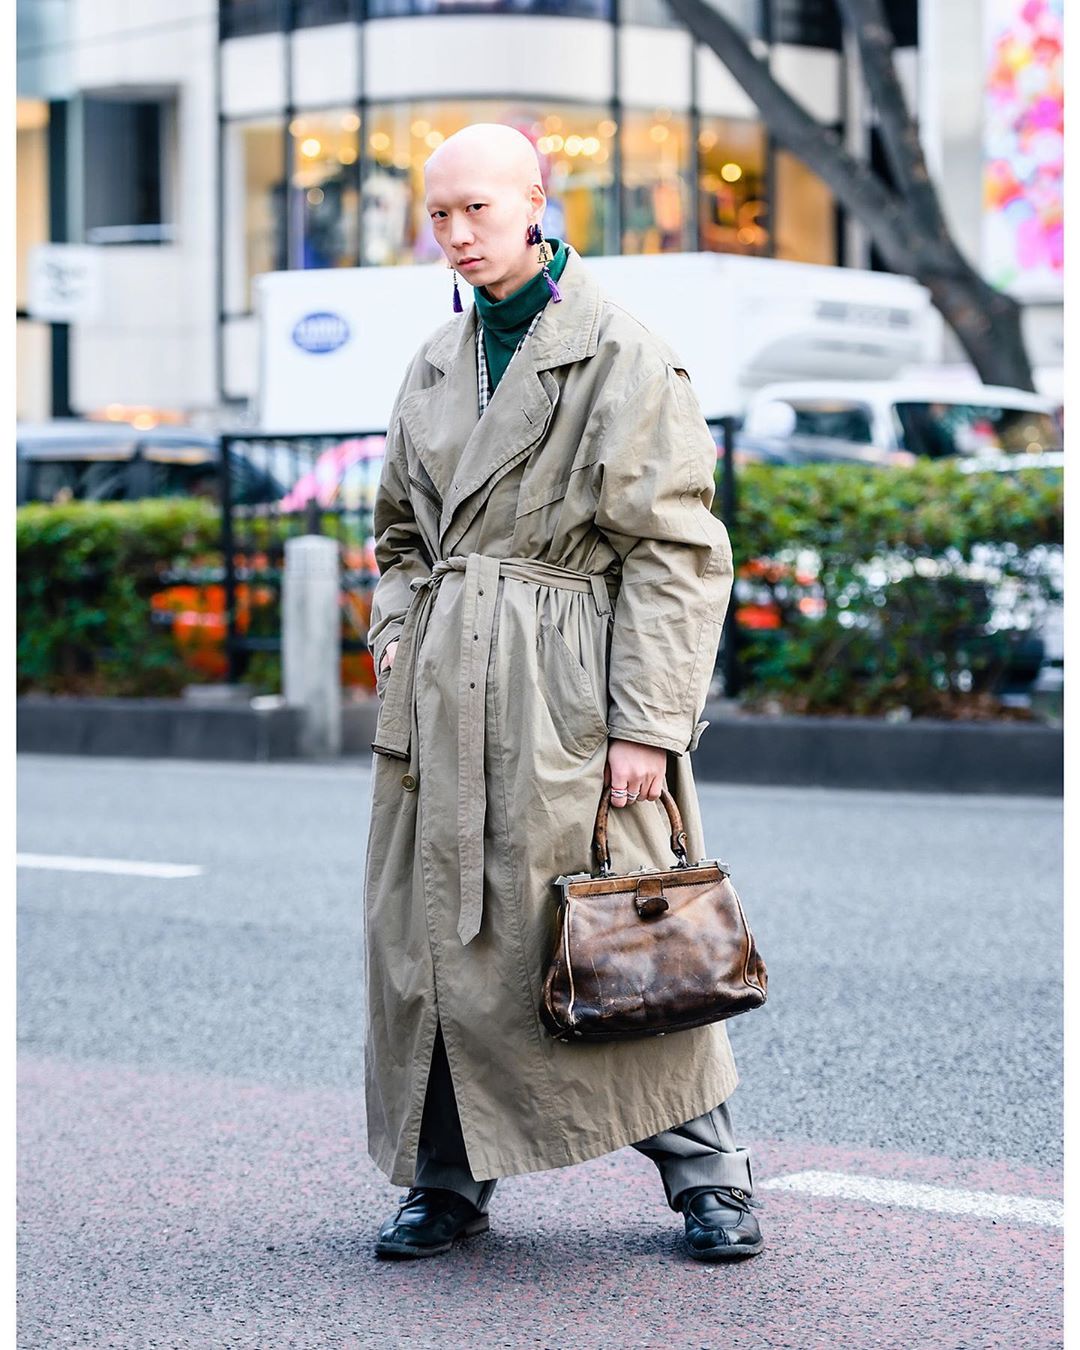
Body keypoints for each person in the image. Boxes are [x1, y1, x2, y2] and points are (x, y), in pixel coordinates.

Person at [363, 122, 762, 1264]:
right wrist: (399, 629)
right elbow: (397, 534)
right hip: (442, 694)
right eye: (439, 214)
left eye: (477, 210)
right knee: (435, 939)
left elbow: (677, 552)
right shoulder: (436, 362)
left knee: (624, 930)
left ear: (536, 202)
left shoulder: (620, 351)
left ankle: (711, 1178)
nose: (455, 234)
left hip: (567, 689)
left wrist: (647, 722)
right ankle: (446, 1181)